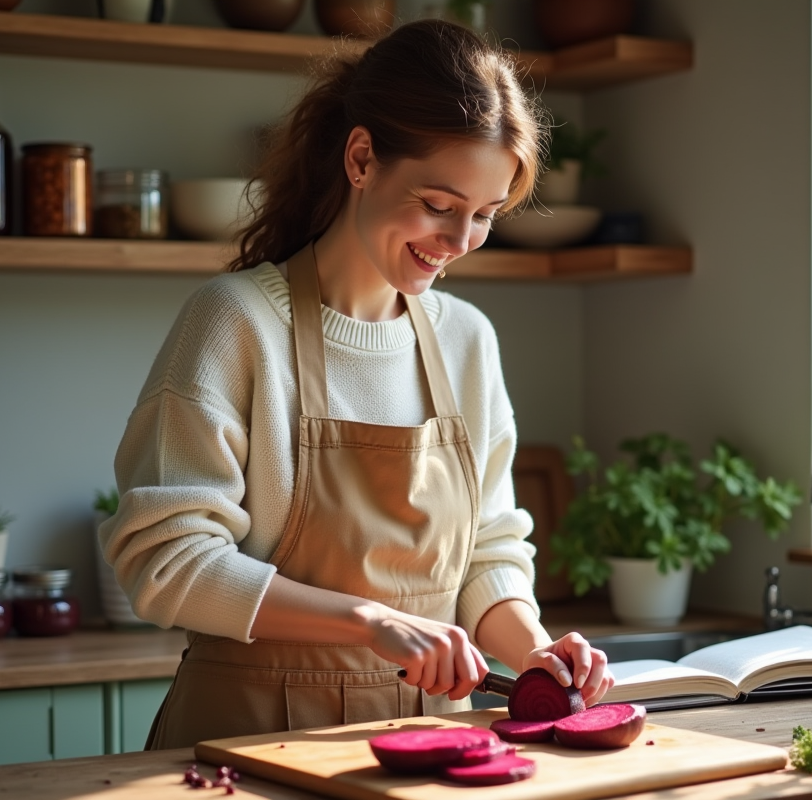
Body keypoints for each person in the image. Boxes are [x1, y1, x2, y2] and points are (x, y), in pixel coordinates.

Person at [99, 18, 614, 750]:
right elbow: (166, 562)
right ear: (363, 157)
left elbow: (488, 551)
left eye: (485, 216)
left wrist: (529, 646)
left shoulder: (467, 340)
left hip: (432, 741)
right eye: (439, 204)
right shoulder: (235, 323)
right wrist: (368, 621)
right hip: (249, 742)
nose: (459, 240)